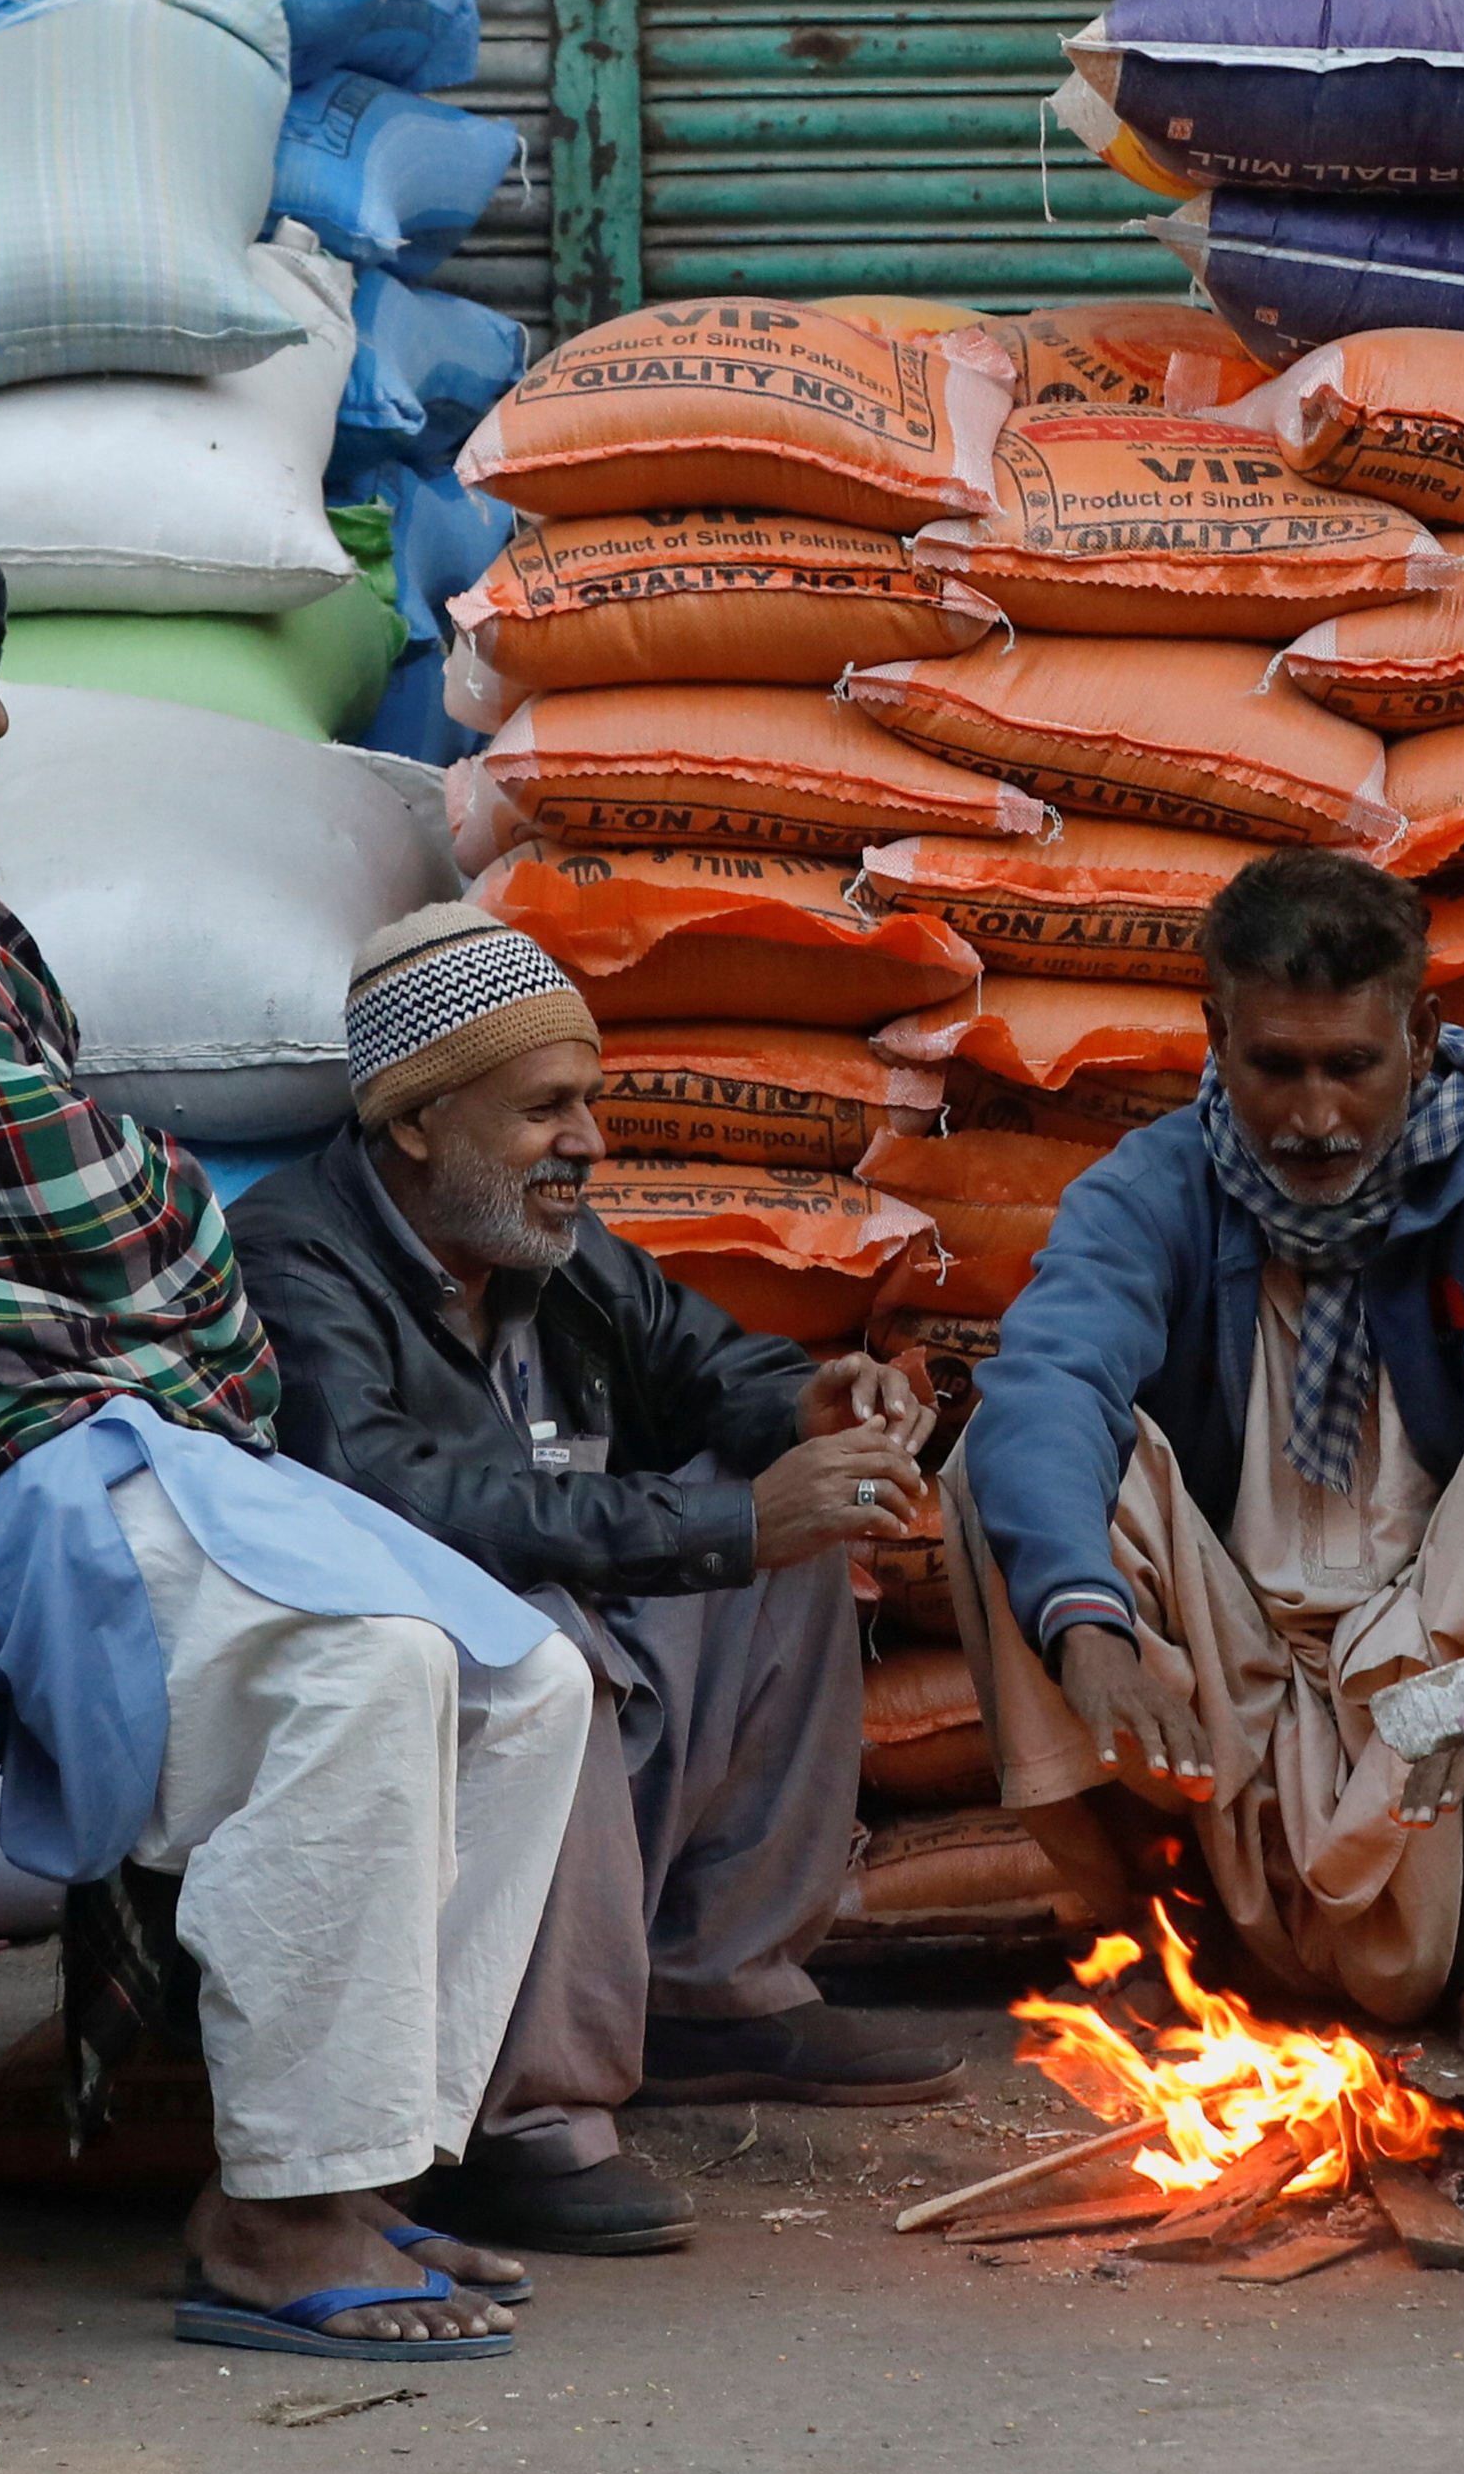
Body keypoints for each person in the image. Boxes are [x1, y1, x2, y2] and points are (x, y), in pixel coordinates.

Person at [0, 489, 592, 2362]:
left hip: (106, 1427)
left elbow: (96, 1204)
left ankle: (355, 2165)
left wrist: (147, 1248)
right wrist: (161, 1256)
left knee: (518, 1678)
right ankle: (279, 2218)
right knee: (365, 1668)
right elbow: (101, 1207)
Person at [227, 907, 966, 2265]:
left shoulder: (548, 1251)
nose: (588, 1144)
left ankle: (717, 1985)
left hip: (578, 1685)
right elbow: (405, 1501)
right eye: (545, 1111)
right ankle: (528, 2117)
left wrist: (810, 1404)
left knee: (786, 1552)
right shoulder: (295, 1258)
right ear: (416, 1123)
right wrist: (722, 1518)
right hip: (415, 1708)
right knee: (534, 1636)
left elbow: (707, 1363)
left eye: (593, 1105)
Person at [942, 850, 1464, 2067]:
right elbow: (1055, 1374)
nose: (1312, 1117)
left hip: (1443, 1635)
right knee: (999, 1464)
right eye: (1273, 1066)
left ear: (1419, 1032)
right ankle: (1167, 1933)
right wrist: (1083, 1621)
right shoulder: (1156, 1185)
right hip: (1230, 1646)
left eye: (1351, 1065)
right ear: (1214, 1035)